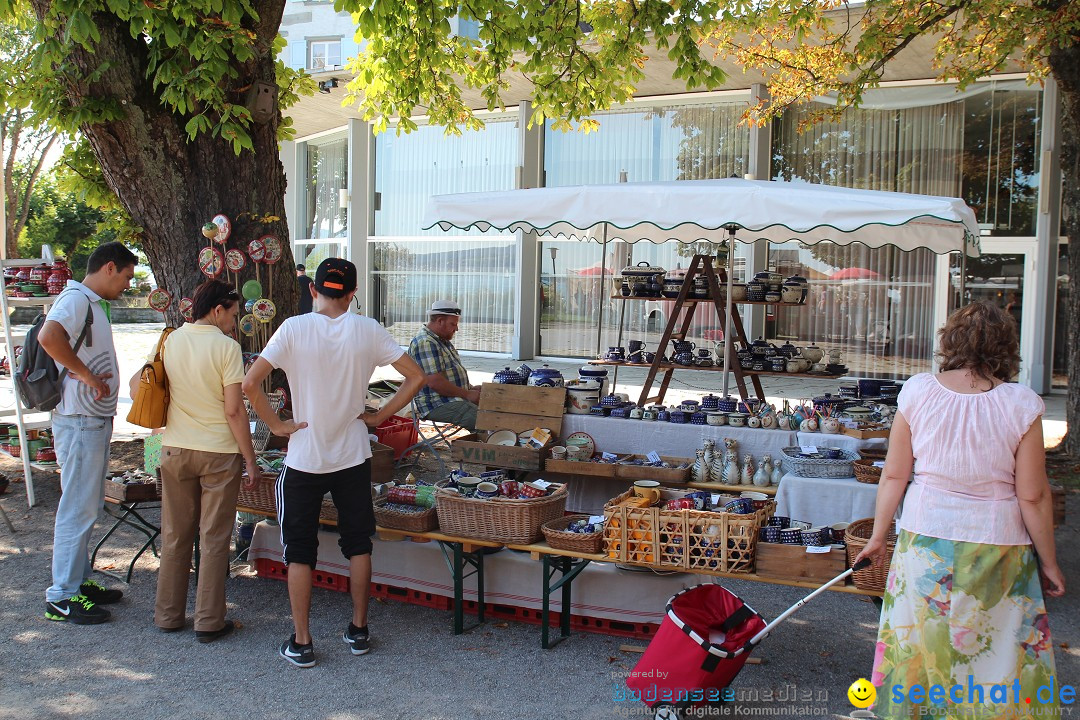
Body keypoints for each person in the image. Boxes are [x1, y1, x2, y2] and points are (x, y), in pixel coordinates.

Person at [854, 302, 1065, 718]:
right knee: (996, 654)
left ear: (949, 340)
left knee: (920, 646)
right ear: (1008, 347)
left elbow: (894, 476)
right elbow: (1033, 496)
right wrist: (1050, 561)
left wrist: (879, 537)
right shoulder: (1022, 404)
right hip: (999, 544)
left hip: (924, 538)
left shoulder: (917, 391)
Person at [243, 257, 424, 668]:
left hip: (305, 455)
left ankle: (303, 641)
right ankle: (358, 629)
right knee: (358, 544)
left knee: (299, 551)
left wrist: (277, 423)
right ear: (354, 292)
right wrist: (379, 416)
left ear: (313, 289)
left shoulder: (293, 328)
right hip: (352, 454)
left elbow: (250, 384)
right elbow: (415, 377)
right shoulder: (367, 329)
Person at [144, 280, 257, 641]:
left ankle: (168, 615)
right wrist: (250, 458)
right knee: (213, 537)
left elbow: (141, 384)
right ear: (218, 309)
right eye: (233, 315)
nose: (233, 323)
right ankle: (208, 622)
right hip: (218, 453)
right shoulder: (227, 348)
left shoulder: (170, 339)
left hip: (174, 448)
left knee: (175, 534)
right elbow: (235, 411)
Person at [38, 242, 137, 624]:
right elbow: (50, 337)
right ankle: (62, 595)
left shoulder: (89, 300)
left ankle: (77, 582)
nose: (128, 284)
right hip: (79, 419)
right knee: (77, 509)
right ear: (109, 267)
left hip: (88, 419)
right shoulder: (77, 298)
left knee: (87, 506)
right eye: (127, 276)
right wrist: (86, 374)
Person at [408, 299, 480, 431]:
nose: (456, 329)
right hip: (436, 403)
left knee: (493, 410)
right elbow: (435, 383)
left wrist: (471, 388)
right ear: (440, 321)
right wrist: (467, 394)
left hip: (450, 399)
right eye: (453, 324)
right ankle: (484, 449)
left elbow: (450, 376)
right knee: (484, 420)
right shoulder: (426, 342)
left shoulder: (441, 340)